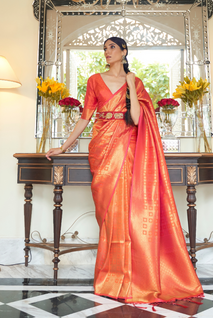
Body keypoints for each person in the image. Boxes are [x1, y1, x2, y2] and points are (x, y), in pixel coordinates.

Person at [46, 37, 203, 304]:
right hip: (103, 146)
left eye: (112, 48)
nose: (106, 52)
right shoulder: (95, 80)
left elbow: (137, 119)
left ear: (123, 52)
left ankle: (134, 277)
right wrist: (64, 147)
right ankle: (111, 275)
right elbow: (85, 117)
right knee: (109, 214)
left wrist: (131, 84)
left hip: (128, 145)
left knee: (129, 212)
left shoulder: (136, 82)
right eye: (105, 48)